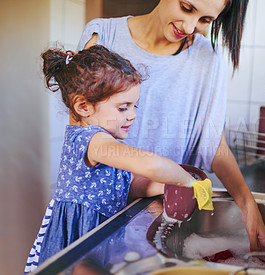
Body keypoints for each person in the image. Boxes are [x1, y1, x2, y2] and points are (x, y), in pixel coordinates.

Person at [77, 0, 265, 264]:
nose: (190, 26)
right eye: (187, 8)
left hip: (166, 217)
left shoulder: (208, 58)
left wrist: (248, 206)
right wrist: (154, 182)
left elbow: (214, 144)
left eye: (205, 20)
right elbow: (84, 138)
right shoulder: (103, 37)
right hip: (103, 215)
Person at [24, 45, 210, 273]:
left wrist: (165, 186)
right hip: (80, 241)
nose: (132, 115)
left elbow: (124, 186)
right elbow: (151, 164)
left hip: (100, 238)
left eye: (134, 106)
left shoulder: (103, 141)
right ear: (83, 106)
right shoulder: (92, 141)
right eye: (123, 108)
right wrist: (187, 181)